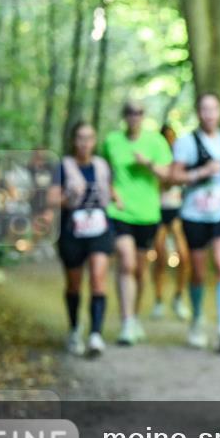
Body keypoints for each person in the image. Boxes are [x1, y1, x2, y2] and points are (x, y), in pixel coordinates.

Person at [169, 92, 220, 353]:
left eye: (214, 109)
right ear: (198, 112)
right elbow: (173, 175)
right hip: (195, 212)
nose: (209, 114)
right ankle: (197, 318)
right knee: (199, 271)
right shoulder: (186, 143)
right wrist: (200, 172)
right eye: (204, 109)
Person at [101, 100, 173, 346]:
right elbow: (104, 172)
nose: (135, 117)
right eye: (130, 112)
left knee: (140, 271)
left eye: (139, 112)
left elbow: (169, 175)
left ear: (144, 115)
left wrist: (148, 164)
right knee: (126, 263)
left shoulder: (156, 142)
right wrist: (111, 192)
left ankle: (134, 316)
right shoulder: (112, 141)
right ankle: (126, 322)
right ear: (124, 115)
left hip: (148, 214)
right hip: (120, 213)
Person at [47, 122, 115, 357]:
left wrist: (118, 199)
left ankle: (96, 334)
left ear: (95, 140)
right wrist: (69, 197)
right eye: (80, 138)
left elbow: (111, 190)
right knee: (74, 284)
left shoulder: (102, 166)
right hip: (72, 232)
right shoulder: (63, 166)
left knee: (98, 278)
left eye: (89, 137)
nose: (85, 143)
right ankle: (75, 328)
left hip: (100, 229)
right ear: (73, 140)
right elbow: (52, 198)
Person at [151, 123, 191, 321]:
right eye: (166, 137)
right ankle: (158, 299)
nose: (170, 141)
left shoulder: (181, 160)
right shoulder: (157, 161)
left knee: (184, 257)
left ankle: (178, 296)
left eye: (172, 137)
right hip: (158, 213)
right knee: (160, 257)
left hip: (176, 212)